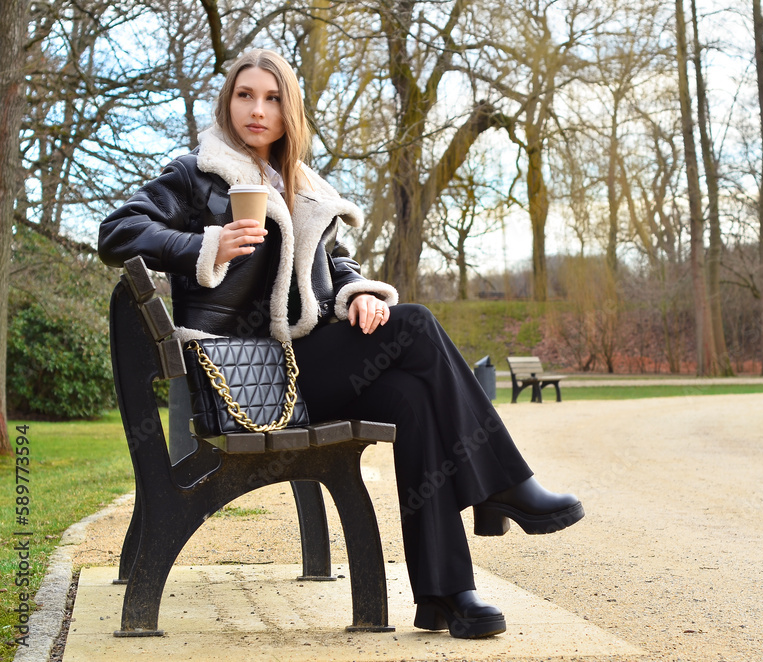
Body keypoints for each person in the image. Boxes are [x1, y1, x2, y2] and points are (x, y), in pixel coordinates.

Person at [98, 48, 583, 639]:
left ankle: (446, 594)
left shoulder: (303, 183)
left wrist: (357, 294)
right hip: (247, 378)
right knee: (420, 323)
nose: (257, 109)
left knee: (412, 396)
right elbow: (118, 230)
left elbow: (335, 264)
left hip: (307, 367)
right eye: (245, 95)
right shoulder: (198, 174)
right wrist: (207, 244)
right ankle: (502, 486)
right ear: (229, 103)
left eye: (273, 98)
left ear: (290, 111)